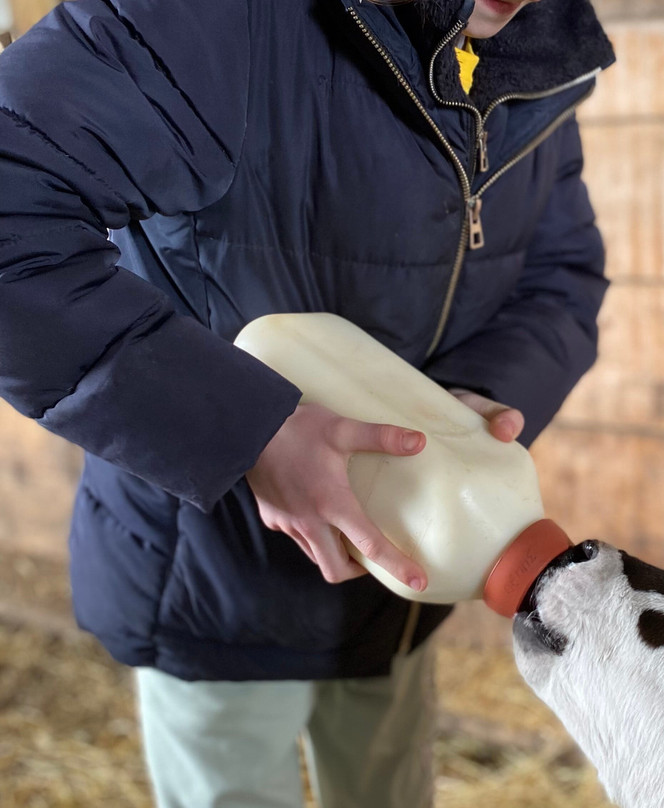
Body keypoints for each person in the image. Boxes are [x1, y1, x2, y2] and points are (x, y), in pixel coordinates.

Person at [0, 0, 615, 804]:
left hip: (400, 589)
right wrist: (251, 431)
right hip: (212, 583)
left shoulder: (528, 65)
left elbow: (561, 274)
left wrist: (484, 396)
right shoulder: (219, 21)